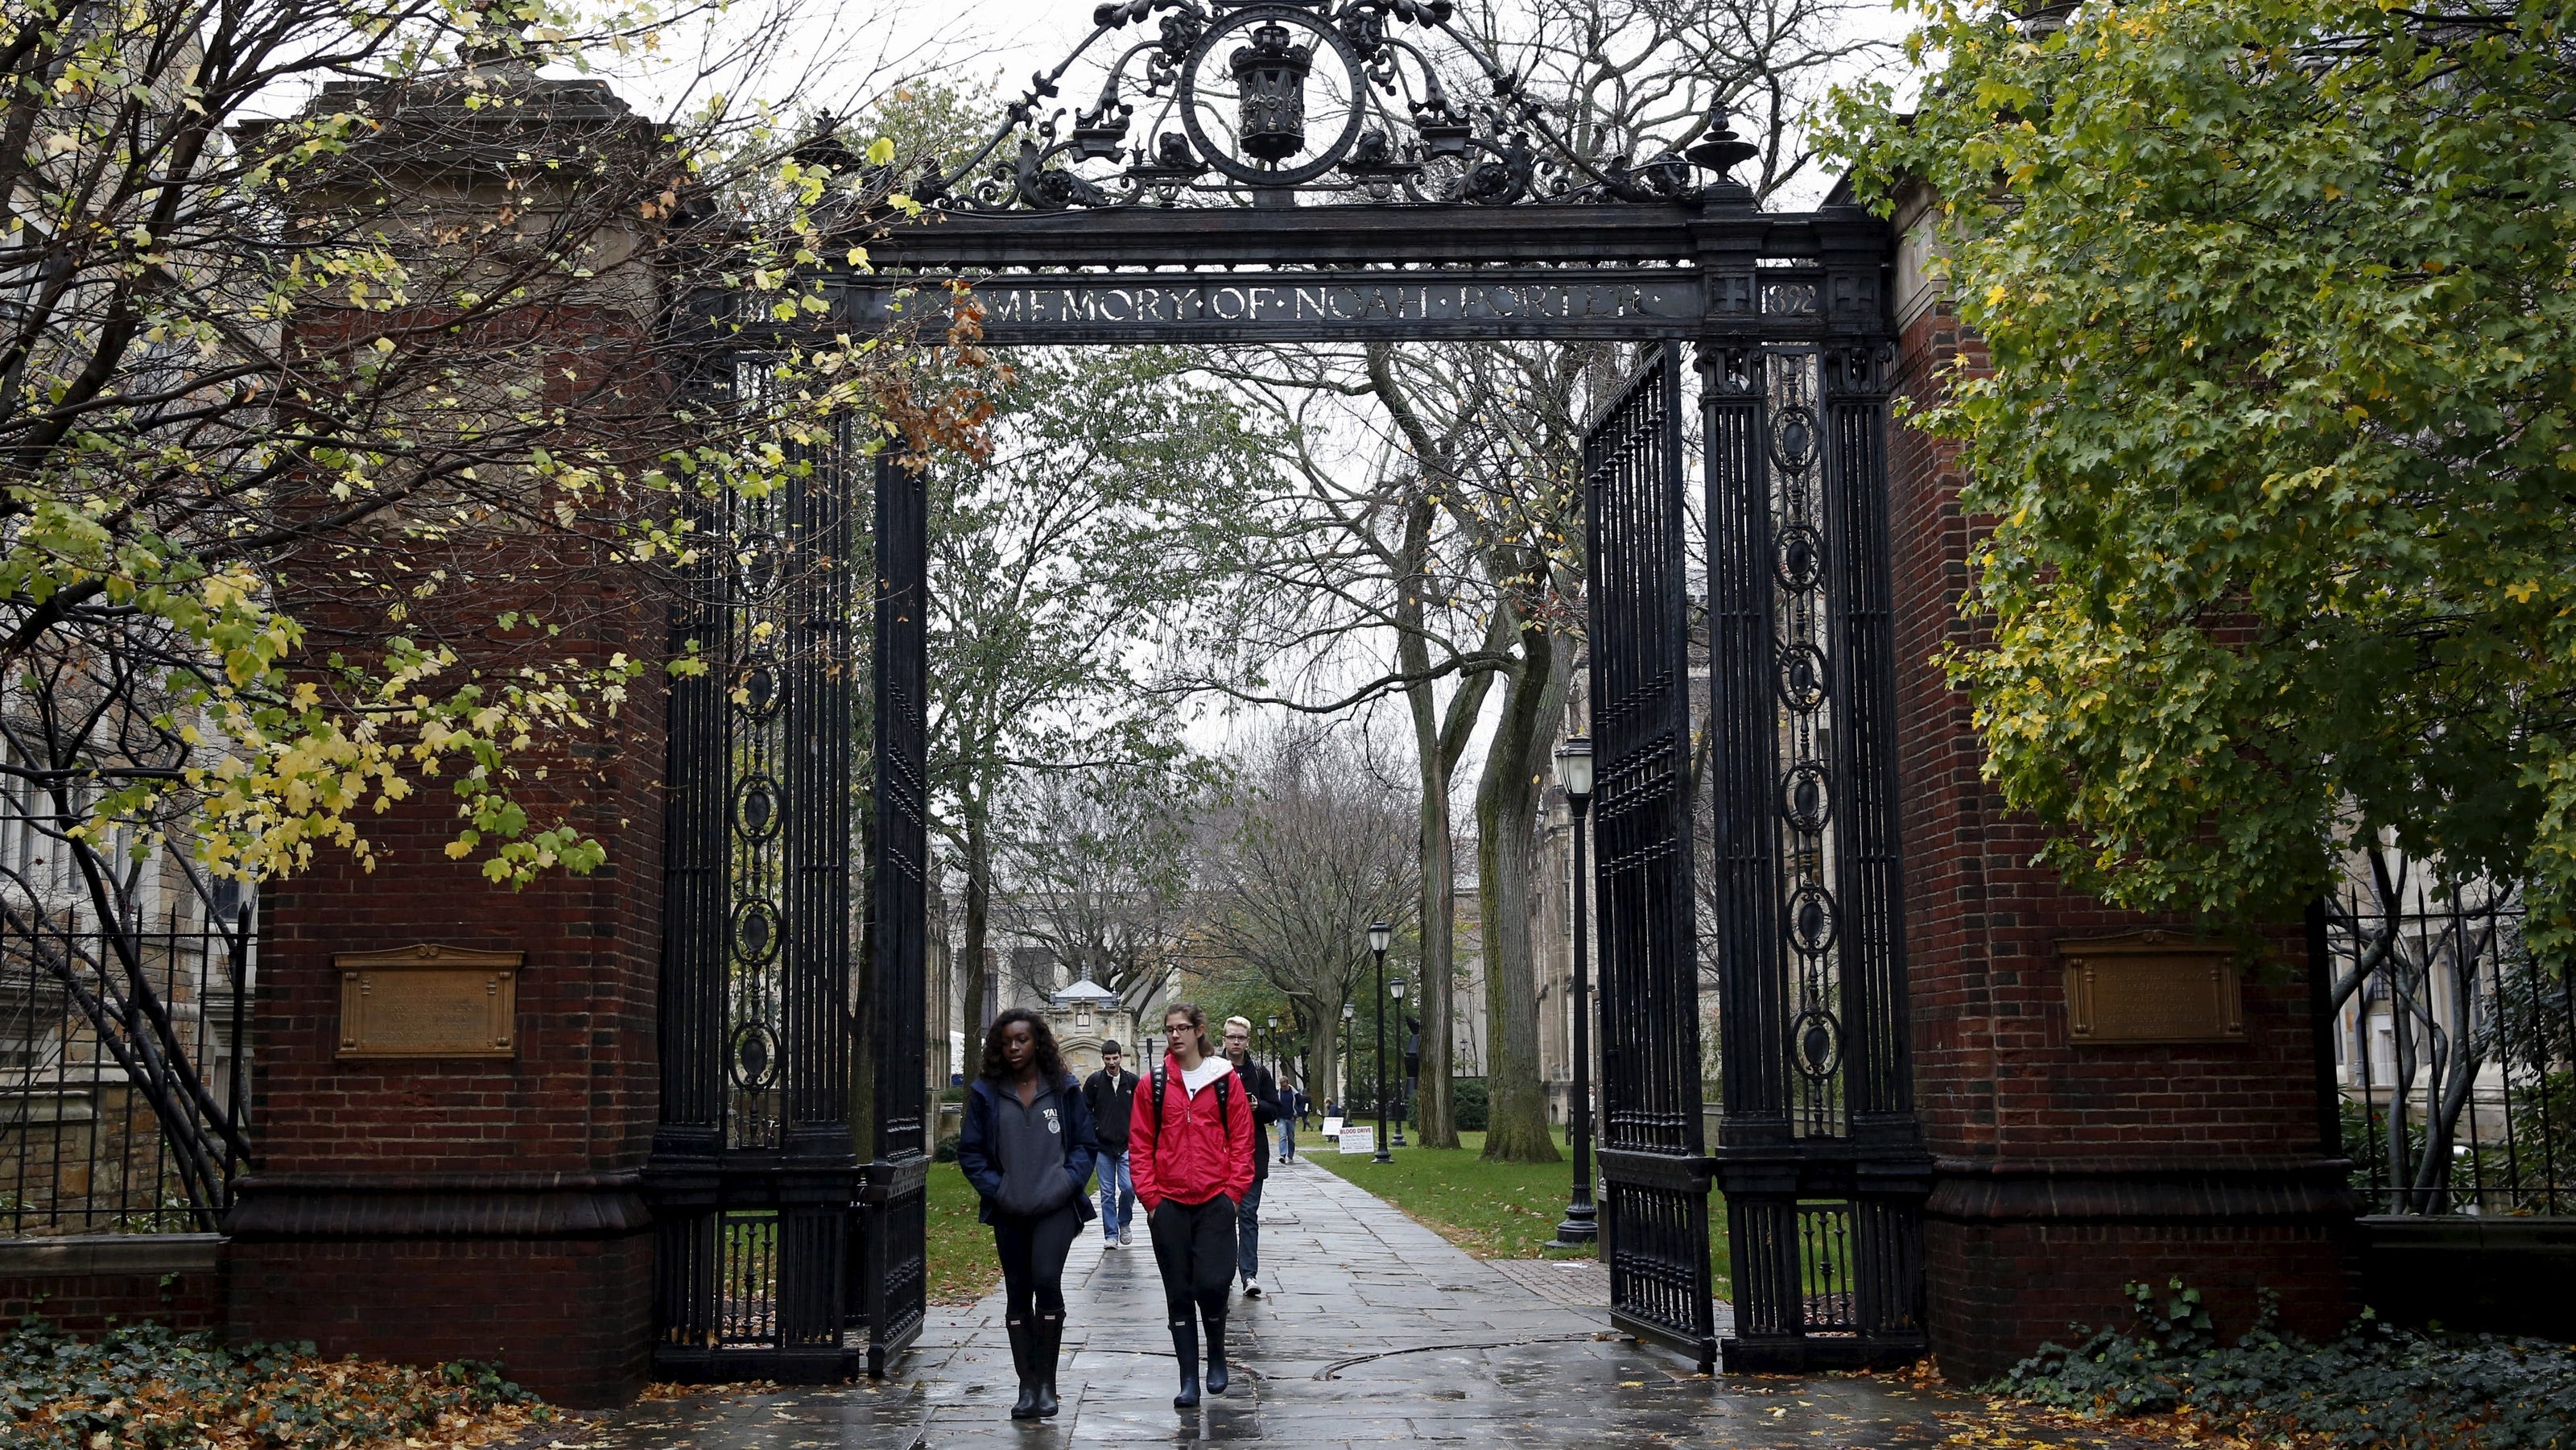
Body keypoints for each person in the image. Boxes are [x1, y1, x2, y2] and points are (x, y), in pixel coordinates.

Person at [957, 1009, 1099, 1421]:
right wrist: (998, 1190)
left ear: (1038, 1041)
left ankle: (1048, 1385)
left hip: (1055, 1206)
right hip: (1010, 1209)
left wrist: (1067, 1183)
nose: (1015, 1048)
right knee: (1019, 1291)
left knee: (1046, 1280)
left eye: (1022, 1040)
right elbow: (971, 1152)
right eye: (1007, 1042)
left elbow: (1085, 1146)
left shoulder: (1063, 1089)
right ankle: (1026, 1385)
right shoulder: (986, 1092)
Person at [1129, 1002, 1254, 1409]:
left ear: (1200, 1030)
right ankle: (1188, 1379)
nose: (1175, 1035)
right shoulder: (1155, 1083)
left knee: (1214, 1284)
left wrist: (1233, 1194)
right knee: (1178, 1291)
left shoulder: (1224, 1080)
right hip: (1168, 1204)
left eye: (1183, 1028)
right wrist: (1150, 1199)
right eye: (1169, 1029)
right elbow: (1140, 1142)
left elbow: (1241, 1139)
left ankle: (1216, 1355)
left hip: (1215, 1201)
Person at [1219, 1015, 1282, 1296]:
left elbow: (1275, 1109)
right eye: (1232, 1037)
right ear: (1224, 1039)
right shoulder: (1213, 1070)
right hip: (1218, 1155)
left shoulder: (1259, 1073)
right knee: (1221, 1217)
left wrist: (1257, 1106)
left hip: (1252, 1154)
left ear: (1247, 1041)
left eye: (1241, 1038)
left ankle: (1249, 1274)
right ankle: (1222, 1272)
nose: (1236, 1042)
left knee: (1248, 1214)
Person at [1082, 1040, 1140, 1247]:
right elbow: (1085, 1109)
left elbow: (1143, 1109)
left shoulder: (1132, 1081)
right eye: (1108, 1059)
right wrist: (1095, 1129)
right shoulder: (1095, 1082)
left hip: (1126, 1144)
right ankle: (1111, 1235)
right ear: (1103, 1059)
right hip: (1103, 1147)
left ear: (1120, 1057)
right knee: (1107, 1193)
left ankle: (1124, 1222)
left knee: (1128, 1188)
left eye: (1115, 1058)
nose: (1112, 1062)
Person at [1276, 1079, 1299, 1163]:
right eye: (1282, 1086)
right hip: (1281, 1118)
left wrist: (1297, 1113)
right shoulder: (1278, 1093)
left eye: (1285, 1086)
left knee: (1291, 1138)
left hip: (1291, 1118)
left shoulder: (1294, 1093)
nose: (1284, 1088)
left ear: (1288, 1084)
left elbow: (1300, 1103)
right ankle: (1283, 1155)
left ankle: (1290, 1156)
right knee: (1282, 1136)